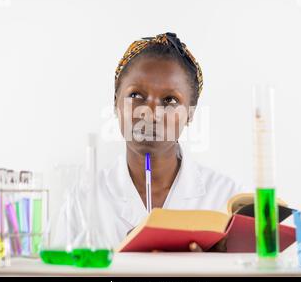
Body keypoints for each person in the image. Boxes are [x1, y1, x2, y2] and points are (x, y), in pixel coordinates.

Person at [96, 32, 243, 251]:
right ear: (116, 102)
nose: (151, 113)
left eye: (170, 100)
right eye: (136, 95)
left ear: (190, 114)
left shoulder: (225, 197)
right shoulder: (85, 198)